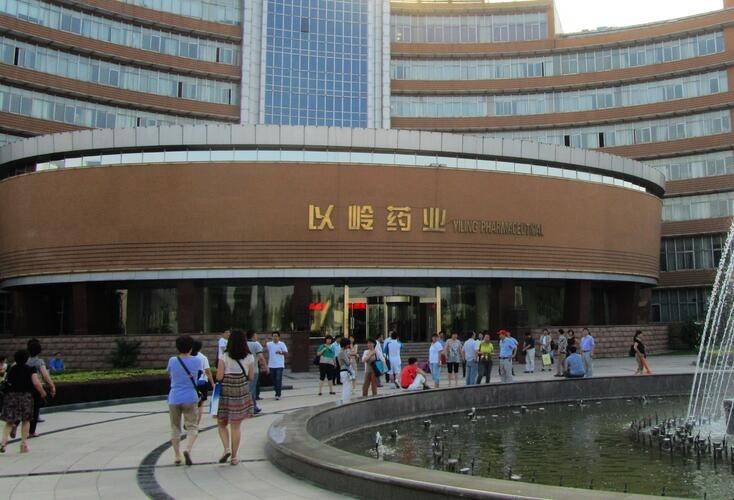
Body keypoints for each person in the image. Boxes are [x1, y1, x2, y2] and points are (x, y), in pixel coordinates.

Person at [216, 329, 255, 466]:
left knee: (222, 423)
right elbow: (251, 377)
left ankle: (226, 448)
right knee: (236, 426)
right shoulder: (249, 357)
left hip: (226, 390)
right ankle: (234, 457)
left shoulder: (224, 356)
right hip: (241, 390)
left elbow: (219, 376)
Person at [166, 335, 203, 466]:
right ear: (191, 347)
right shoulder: (197, 361)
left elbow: (170, 375)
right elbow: (199, 376)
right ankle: (188, 449)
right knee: (192, 426)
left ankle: (177, 455)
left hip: (174, 397)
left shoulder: (172, 360)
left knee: (175, 427)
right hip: (190, 397)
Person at [1, 350, 47, 454]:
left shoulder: (11, 368)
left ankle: (3, 443)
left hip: (11, 396)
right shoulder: (30, 369)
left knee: (9, 421)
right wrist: (42, 392)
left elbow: (7, 381)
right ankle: (23, 445)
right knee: (26, 420)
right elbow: (36, 383)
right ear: (26, 359)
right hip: (25, 396)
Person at [26, 339, 55, 438]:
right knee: (35, 410)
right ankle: (31, 432)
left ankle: (16, 424)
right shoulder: (39, 362)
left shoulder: (25, 361)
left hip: (25, 388)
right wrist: (52, 386)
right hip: (36, 388)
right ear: (39, 351)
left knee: (25, 408)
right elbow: (45, 376)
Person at [191, 340, 215, 425]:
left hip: (191, 383)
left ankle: (190, 421)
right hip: (202, 383)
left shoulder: (187, 357)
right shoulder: (203, 357)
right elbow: (208, 371)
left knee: (191, 404)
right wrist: (212, 383)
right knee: (200, 404)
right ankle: (196, 424)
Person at [246, 331, 267, 413]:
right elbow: (261, 357)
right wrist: (266, 366)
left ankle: (252, 406)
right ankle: (253, 407)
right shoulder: (256, 344)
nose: (257, 337)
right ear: (252, 336)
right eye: (256, 335)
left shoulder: (243, 344)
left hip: (244, 370)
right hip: (254, 370)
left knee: (247, 388)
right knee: (252, 389)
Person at [266, 332, 288, 400]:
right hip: (271, 365)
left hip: (279, 365)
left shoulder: (282, 344)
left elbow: (286, 353)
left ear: (279, 337)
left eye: (276, 336)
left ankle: (278, 394)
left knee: (278, 379)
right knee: (273, 380)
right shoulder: (269, 344)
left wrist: (280, 352)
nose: (275, 337)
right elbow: (266, 349)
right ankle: (277, 391)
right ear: (272, 337)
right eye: (273, 336)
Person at [337, 337, 353, 403]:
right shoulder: (342, 352)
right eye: (348, 344)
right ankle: (345, 401)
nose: (349, 346)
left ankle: (345, 400)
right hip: (345, 371)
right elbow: (348, 363)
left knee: (345, 387)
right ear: (345, 344)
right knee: (346, 387)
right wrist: (350, 359)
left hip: (343, 371)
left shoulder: (341, 351)